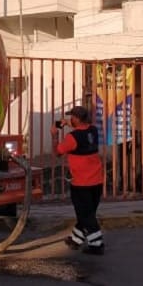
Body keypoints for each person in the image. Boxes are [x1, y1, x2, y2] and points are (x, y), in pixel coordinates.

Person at [51, 104, 104, 255]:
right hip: (97, 181)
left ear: (77, 119)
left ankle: (97, 244)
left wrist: (54, 135)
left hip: (81, 183)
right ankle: (76, 239)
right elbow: (83, 128)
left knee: (85, 215)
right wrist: (69, 123)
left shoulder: (72, 138)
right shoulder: (93, 131)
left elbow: (57, 152)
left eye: (72, 117)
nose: (70, 119)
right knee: (88, 213)